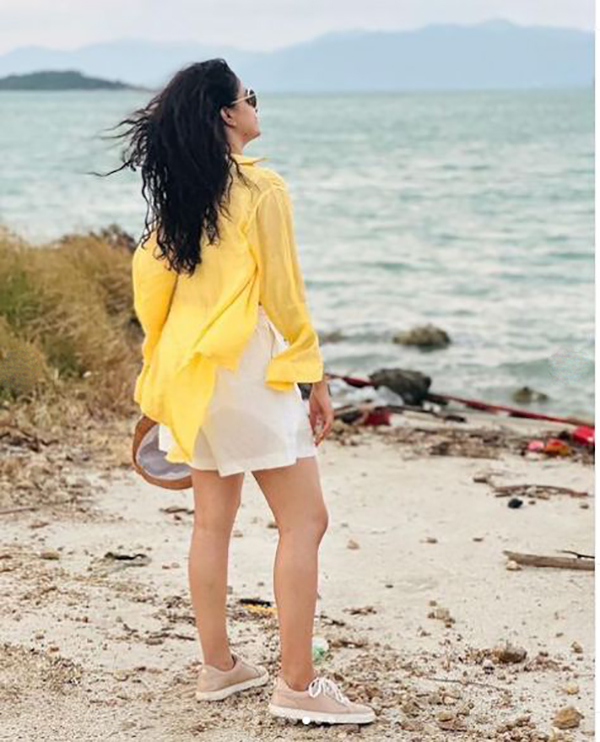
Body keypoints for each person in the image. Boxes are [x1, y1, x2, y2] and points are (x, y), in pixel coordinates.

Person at [109, 58, 375, 726]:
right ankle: (298, 685)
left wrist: (164, 373)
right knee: (305, 521)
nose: (257, 105)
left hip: (193, 375)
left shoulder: (178, 196)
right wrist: (313, 376)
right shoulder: (261, 188)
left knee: (212, 521)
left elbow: (152, 294)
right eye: (249, 96)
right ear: (228, 113)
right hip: (249, 367)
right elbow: (285, 294)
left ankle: (219, 667)